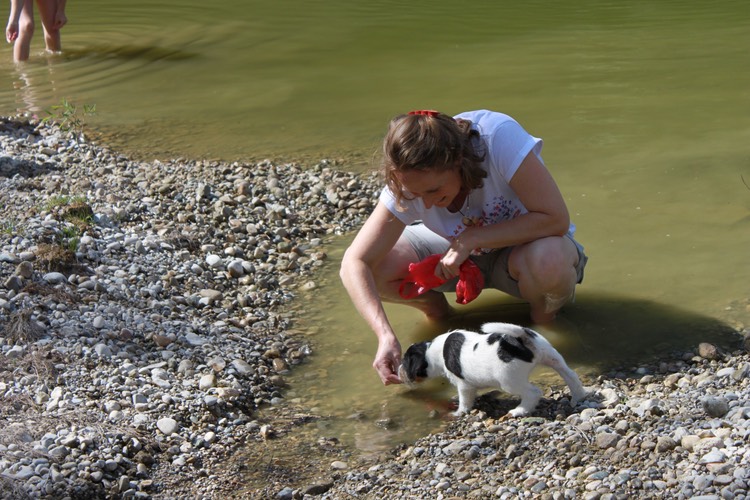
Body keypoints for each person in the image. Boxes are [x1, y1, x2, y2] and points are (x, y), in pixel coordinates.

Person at [340, 109, 588, 385]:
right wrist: (384, 334)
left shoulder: (498, 138)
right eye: (415, 195)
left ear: (459, 161)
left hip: (525, 248)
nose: (427, 204)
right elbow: (354, 263)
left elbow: (555, 219)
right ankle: (441, 316)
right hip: (454, 255)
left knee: (549, 260)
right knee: (377, 268)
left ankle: (544, 327)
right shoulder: (406, 180)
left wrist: (471, 239)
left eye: (433, 190)